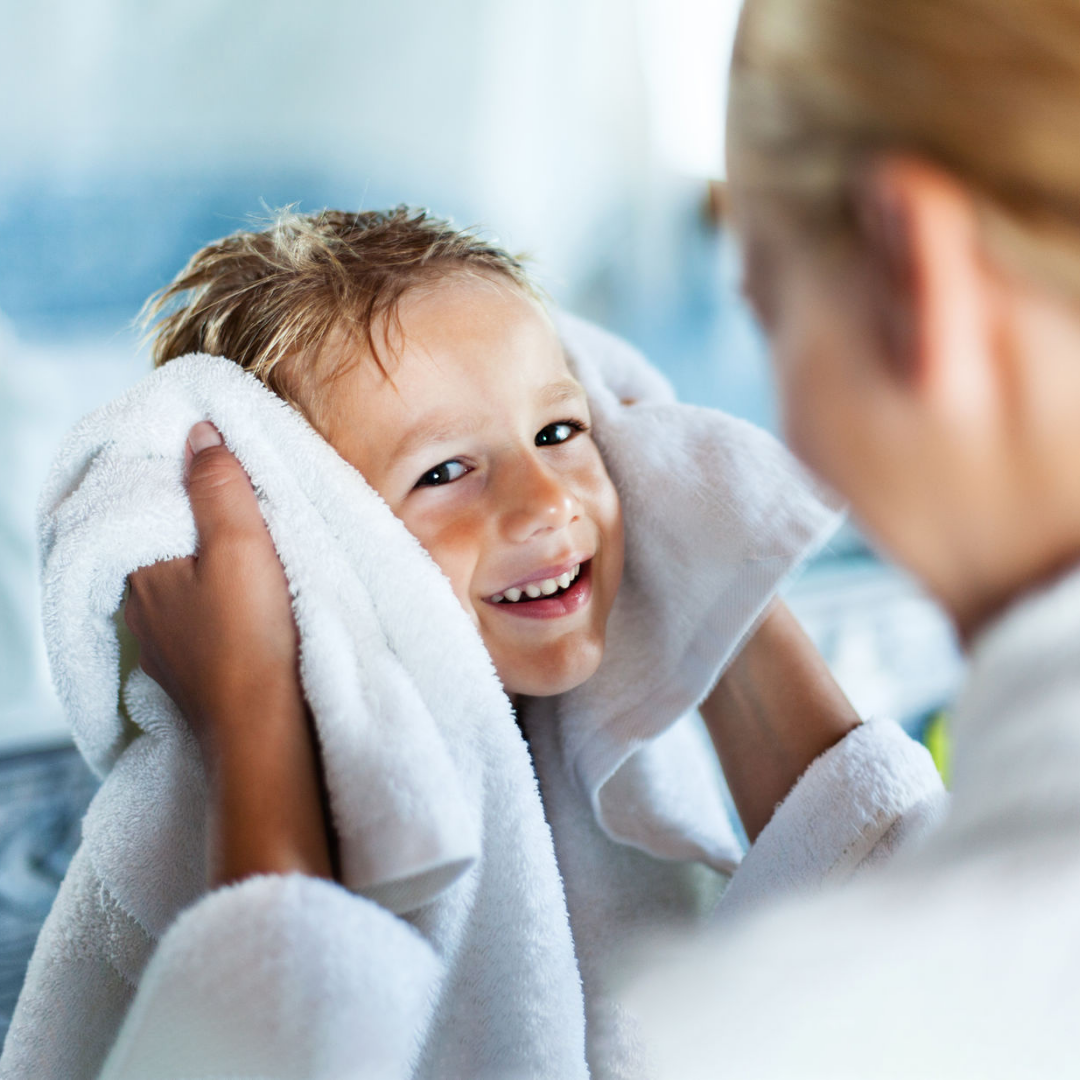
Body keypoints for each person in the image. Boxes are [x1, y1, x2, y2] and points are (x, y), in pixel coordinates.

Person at [3, 208, 941, 1079]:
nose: (547, 502)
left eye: (562, 429)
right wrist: (252, 698)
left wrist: (716, 556)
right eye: (445, 470)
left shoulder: (586, 769)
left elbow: (943, 983)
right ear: (310, 546)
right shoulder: (193, 842)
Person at [625, 1, 1080, 1076]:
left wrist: (260, 727)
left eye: (771, 308)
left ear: (916, 270)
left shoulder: (789, 1039)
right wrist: (716, 605)